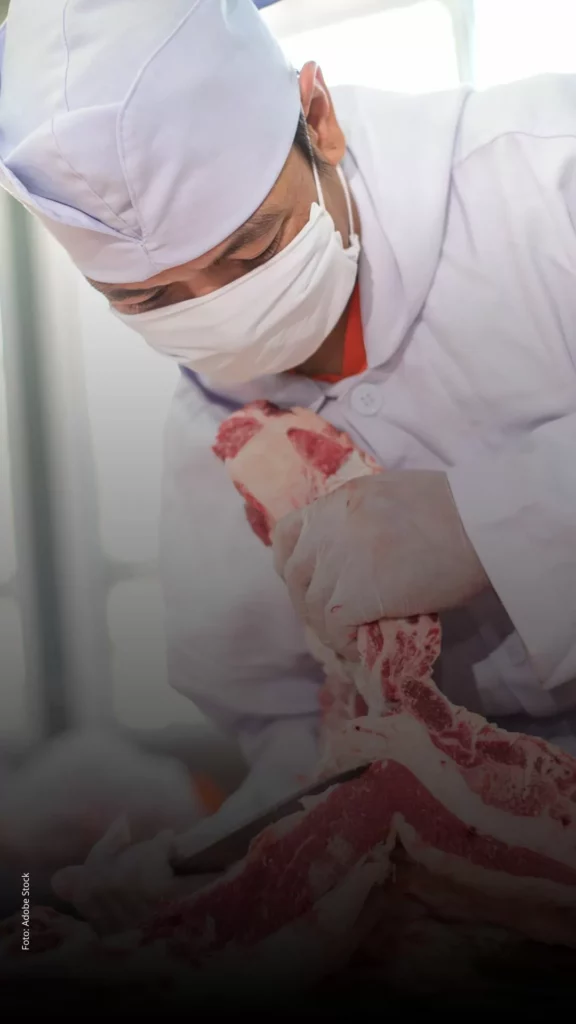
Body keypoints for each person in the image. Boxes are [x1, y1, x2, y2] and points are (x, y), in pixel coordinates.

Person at [1, 0, 576, 927]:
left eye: (252, 247)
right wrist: (245, 857)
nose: (223, 313)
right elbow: (289, 729)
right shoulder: (209, 432)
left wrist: (491, 524)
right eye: (152, 300)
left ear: (319, 118)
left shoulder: (547, 179)